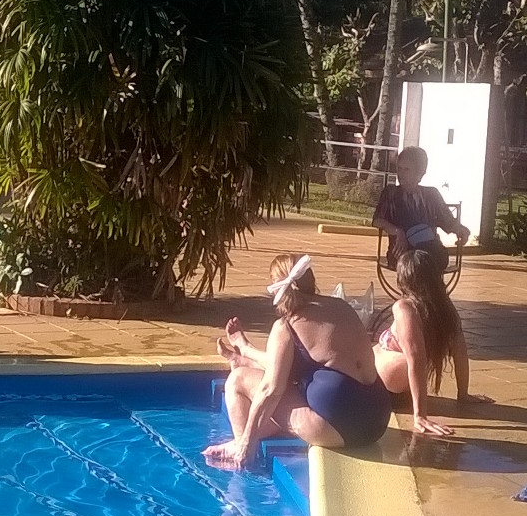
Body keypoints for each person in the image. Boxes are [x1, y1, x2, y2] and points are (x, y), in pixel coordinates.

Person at [203, 254, 392, 470]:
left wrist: (246, 443)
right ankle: (243, 354)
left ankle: (241, 448)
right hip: (377, 423)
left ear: (276, 291)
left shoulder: (286, 326)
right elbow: (286, 366)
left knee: (238, 379)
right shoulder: (342, 307)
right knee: (281, 372)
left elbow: (270, 390)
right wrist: (246, 351)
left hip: (341, 430)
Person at [371, 249, 490, 436]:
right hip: (396, 388)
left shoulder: (405, 307)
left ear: (404, 279)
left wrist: (420, 416)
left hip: (382, 388)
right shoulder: (445, 308)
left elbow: (416, 358)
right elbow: (460, 352)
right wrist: (463, 394)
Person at [372, 146, 470, 273]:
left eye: (406, 169)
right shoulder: (391, 193)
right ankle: (430, 285)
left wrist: (461, 230)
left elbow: (448, 222)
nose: (401, 174)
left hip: (430, 250)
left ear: (420, 173)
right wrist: (397, 231)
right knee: (420, 262)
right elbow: (377, 220)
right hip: (402, 252)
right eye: (399, 168)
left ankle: (429, 284)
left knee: (431, 258)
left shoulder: (431, 194)